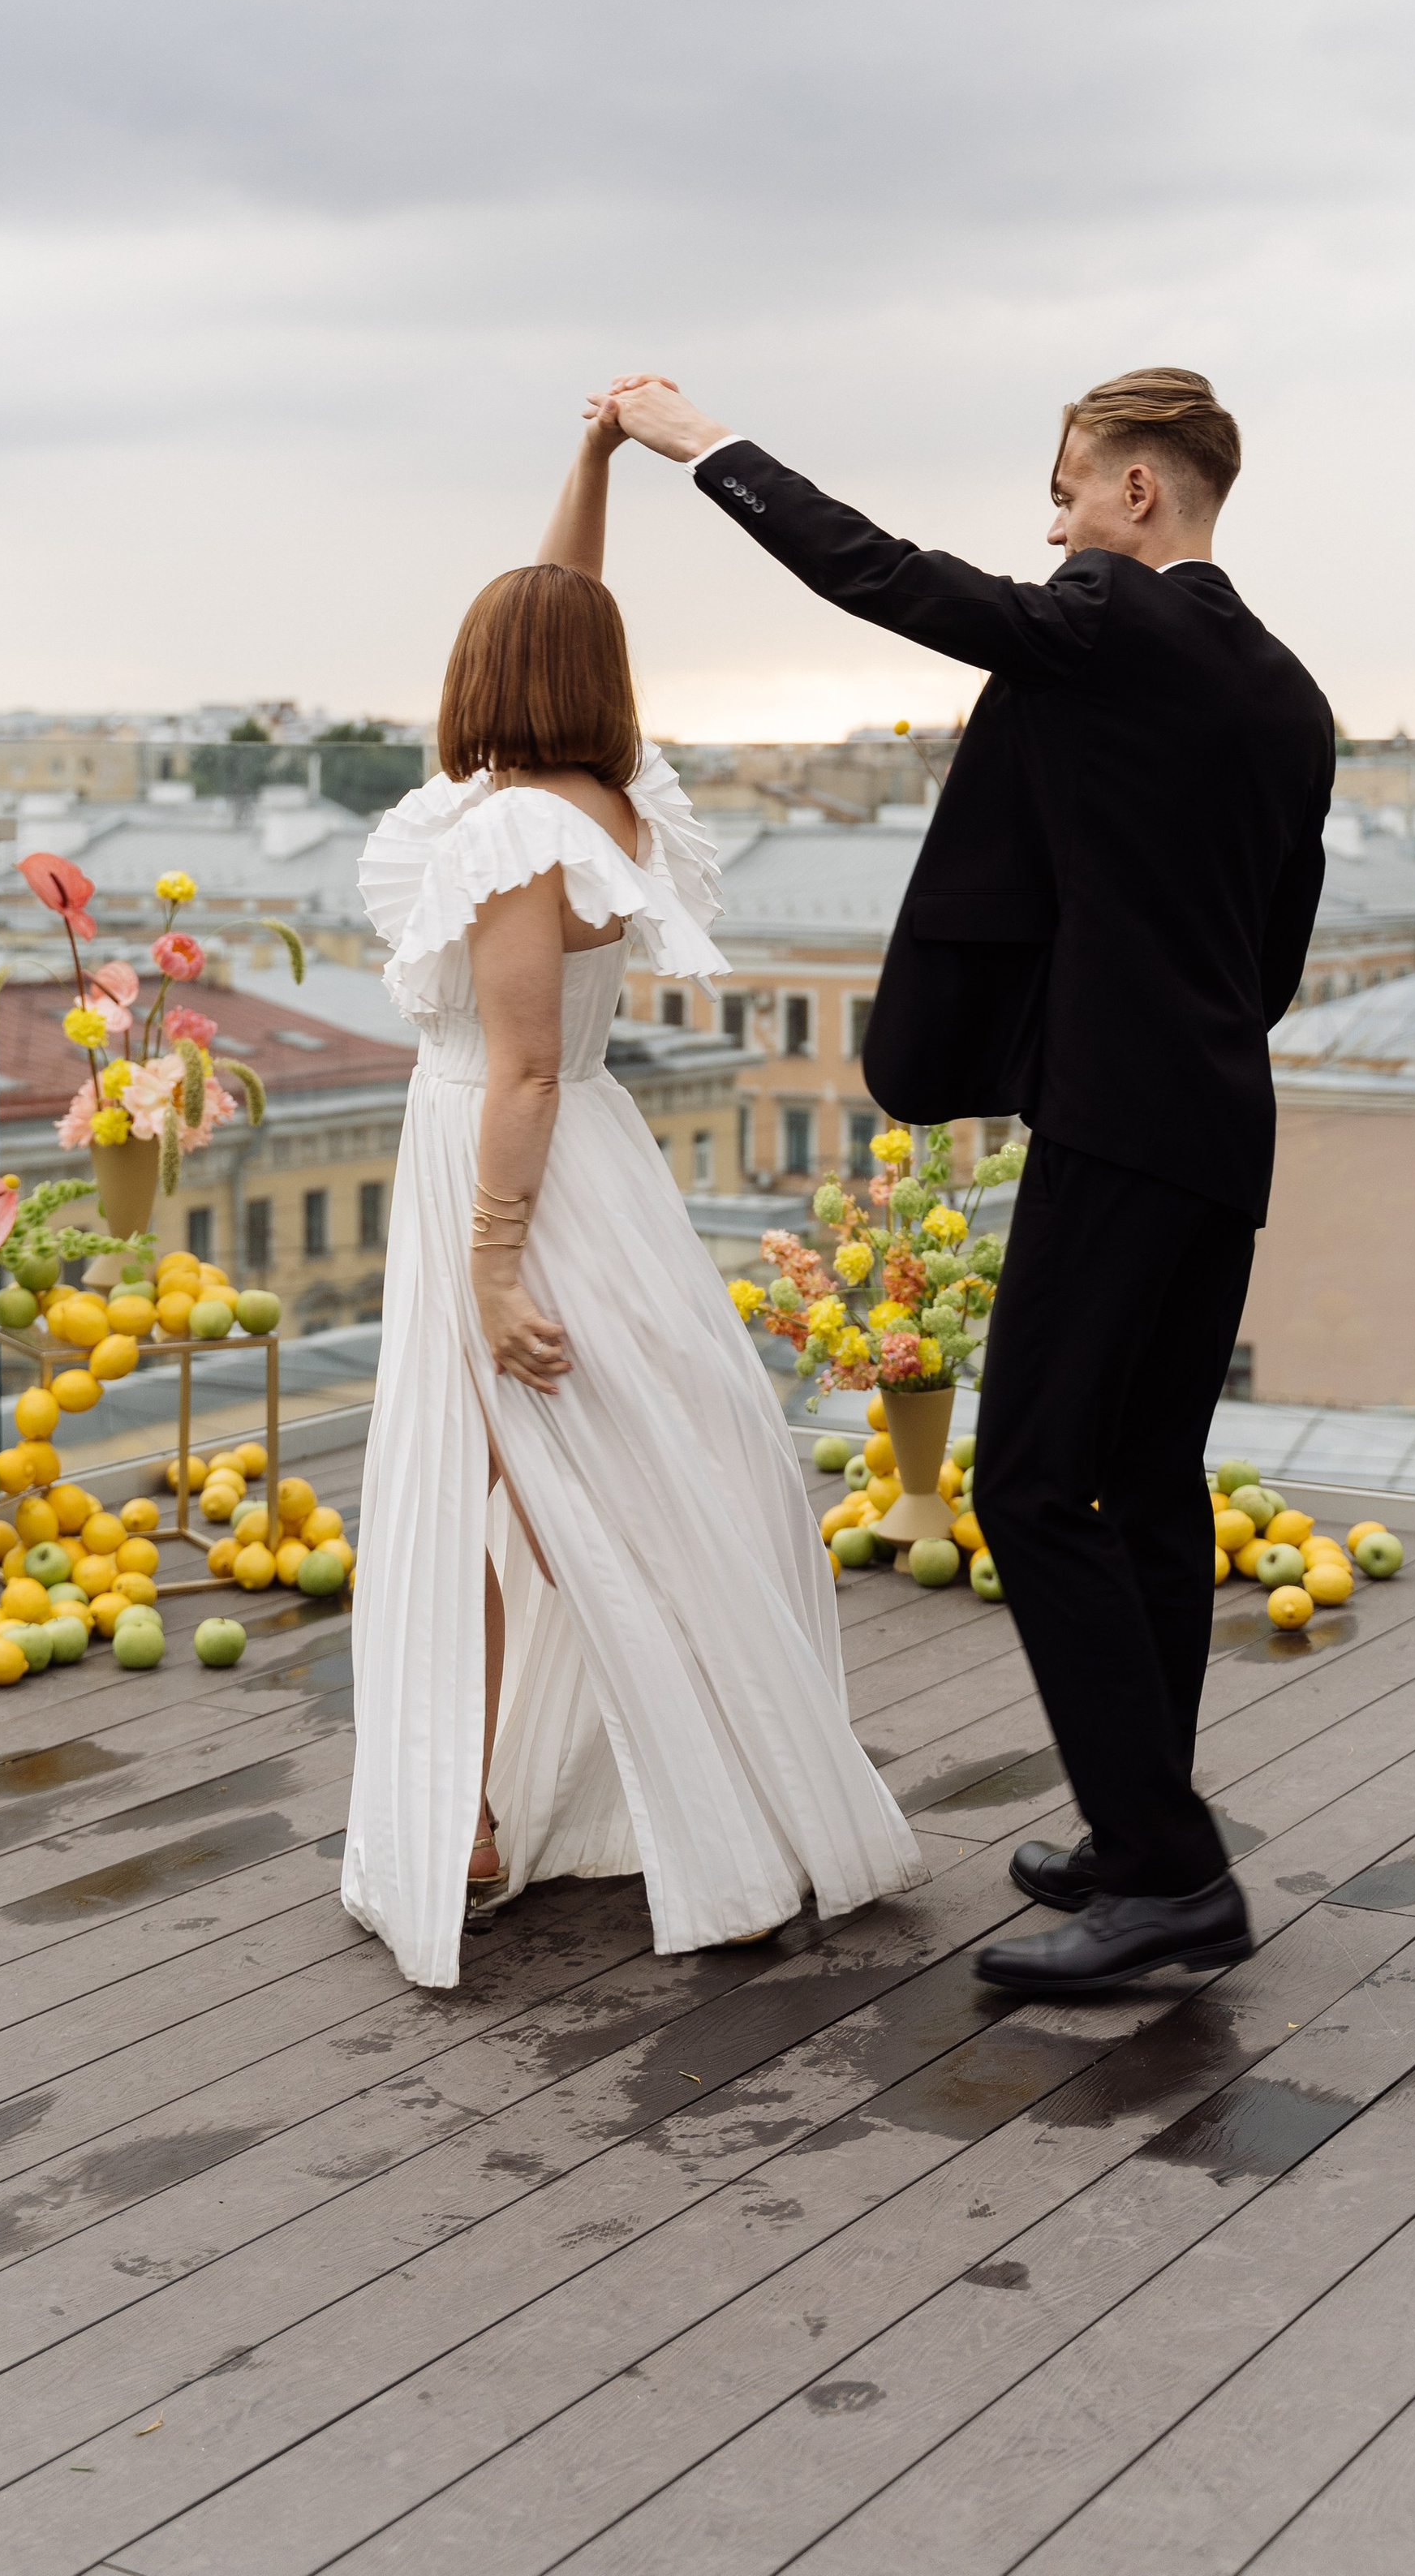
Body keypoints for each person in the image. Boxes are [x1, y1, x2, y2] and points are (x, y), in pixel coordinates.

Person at [598, 366, 1334, 1997]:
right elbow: (1270, 955)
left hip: (1120, 1131)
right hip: (1219, 1124)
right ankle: (1139, 1825)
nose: (1053, 527)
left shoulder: (1109, 626)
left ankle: (1165, 1873)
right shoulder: (1283, 692)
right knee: (1143, 1487)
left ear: (1137, 492)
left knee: (1025, 1485)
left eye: (1067, 491)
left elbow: (885, 577)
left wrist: (700, 446)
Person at [341, 401, 928, 1990]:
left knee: (532, 1497)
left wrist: (484, 1267)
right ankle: (603, 1790)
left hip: (505, 1169)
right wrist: (594, 464)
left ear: (482, 679)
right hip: (587, 1164)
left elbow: (517, 1065)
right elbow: (565, 606)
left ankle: (488, 1812)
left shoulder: (519, 830)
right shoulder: (612, 803)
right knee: (598, 1484)